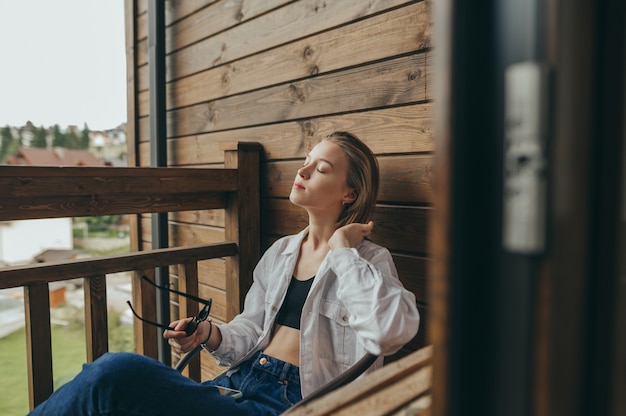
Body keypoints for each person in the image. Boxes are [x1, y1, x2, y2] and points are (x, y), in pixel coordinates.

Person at [29, 131, 420, 416]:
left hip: (291, 402)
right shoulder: (282, 252)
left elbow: (390, 333)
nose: (301, 171)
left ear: (348, 193)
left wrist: (342, 252)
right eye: (305, 160)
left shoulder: (368, 262)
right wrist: (210, 334)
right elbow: (250, 330)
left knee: (116, 373)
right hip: (235, 385)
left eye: (320, 169)